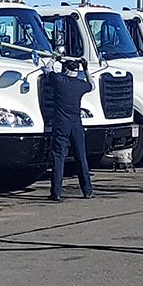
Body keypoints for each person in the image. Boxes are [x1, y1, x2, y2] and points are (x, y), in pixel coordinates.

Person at [46, 57, 94, 202]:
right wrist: (86, 69)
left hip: (61, 124)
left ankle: (56, 192)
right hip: (77, 124)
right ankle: (87, 190)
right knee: (81, 156)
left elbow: (47, 70)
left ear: (65, 70)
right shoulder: (80, 85)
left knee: (59, 157)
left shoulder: (60, 81)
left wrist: (54, 59)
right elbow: (92, 85)